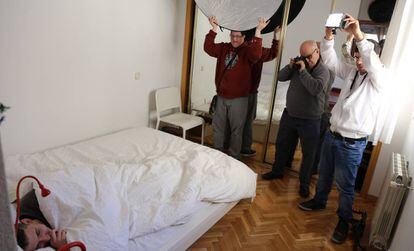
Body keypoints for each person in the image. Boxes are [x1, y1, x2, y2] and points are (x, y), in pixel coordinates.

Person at [298, 14, 386, 244]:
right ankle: (319, 201)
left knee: (346, 186)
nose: (358, 62)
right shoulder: (354, 72)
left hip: (352, 143)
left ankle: (344, 220)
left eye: (362, 57)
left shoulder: (379, 77)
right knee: (324, 175)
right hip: (332, 135)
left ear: (372, 57)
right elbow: (332, 63)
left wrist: (358, 34)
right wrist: (328, 36)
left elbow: (370, 59)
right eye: (356, 57)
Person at [262, 40, 330, 199]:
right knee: (281, 145)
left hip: (310, 120)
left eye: (308, 56)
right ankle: (277, 171)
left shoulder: (323, 71)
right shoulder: (299, 65)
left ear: (317, 52)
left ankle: (304, 185)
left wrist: (303, 70)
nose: (305, 59)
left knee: (308, 154)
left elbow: (314, 89)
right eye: (303, 56)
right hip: (290, 115)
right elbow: (280, 77)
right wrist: (290, 66)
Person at [204, 16, 268, 159]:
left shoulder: (248, 50)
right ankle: (217, 153)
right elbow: (208, 48)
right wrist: (213, 29)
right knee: (218, 128)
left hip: (239, 99)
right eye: (232, 36)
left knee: (236, 131)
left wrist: (258, 31)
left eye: (238, 36)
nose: (235, 39)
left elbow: (257, 55)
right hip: (221, 97)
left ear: (244, 37)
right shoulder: (223, 48)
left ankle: (234, 157)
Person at [240, 28, 281, 157]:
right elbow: (275, 52)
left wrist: (275, 35)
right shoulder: (258, 51)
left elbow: (274, 52)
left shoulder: (240, 49)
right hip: (248, 92)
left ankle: (234, 146)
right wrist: (276, 35)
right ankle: (244, 148)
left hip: (242, 92)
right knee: (247, 121)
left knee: (240, 120)